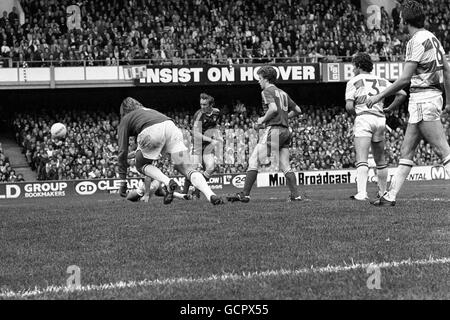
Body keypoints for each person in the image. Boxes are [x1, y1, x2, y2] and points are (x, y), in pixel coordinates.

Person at [367, 0, 450, 206]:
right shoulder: (433, 38)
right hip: (426, 99)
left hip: (423, 99)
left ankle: (389, 195)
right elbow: (447, 71)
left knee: (443, 151)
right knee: (407, 151)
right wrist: (448, 101)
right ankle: (390, 195)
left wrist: (378, 97)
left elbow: (404, 79)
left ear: (405, 20)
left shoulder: (415, 41)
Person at [117, 97, 223, 205]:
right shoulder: (148, 111)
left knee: (141, 165)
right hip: (171, 127)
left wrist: (122, 182)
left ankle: (168, 182)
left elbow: (122, 151)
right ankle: (210, 195)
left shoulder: (126, 118)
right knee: (187, 169)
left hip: (152, 131)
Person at [226, 65, 304, 203]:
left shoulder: (266, 91)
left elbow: (273, 109)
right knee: (285, 165)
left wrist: (263, 119)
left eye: (260, 78)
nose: (258, 81)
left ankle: (245, 194)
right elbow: (298, 110)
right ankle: (295, 195)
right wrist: (284, 117)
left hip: (274, 130)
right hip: (286, 130)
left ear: (266, 79)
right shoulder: (283, 93)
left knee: (253, 160)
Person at [345, 53, 407, 201]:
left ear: (359, 66)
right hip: (380, 120)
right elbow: (402, 94)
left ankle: (361, 193)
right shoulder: (382, 80)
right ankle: (383, 193)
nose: (353, 68)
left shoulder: (354, 81)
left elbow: (348, 107)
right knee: (380, 160)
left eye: (354, 65)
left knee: (362, 158)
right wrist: (389, 108)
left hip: (364, 118)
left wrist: (357, 114)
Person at [182, 93, 221, 199]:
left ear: (211, 105)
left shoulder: (217, 112)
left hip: (208, 145)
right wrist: (211, 139)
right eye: (201, 104)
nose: (202, 107)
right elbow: (196, 133)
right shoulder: (198, 114)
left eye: (205, 105)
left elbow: (215, 125)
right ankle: (184, 193)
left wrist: (217, 135)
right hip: (198, 144)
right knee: (193, 170)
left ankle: (196, 190)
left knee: (211, 168)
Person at [126, 176, 192, 202]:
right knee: (165, 193)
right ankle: (182, 196)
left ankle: (142, 198)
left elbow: (147, 178)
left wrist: (146, 194)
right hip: (156, 183)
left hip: (148, 186)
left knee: (128, 197)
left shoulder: (144, 161)